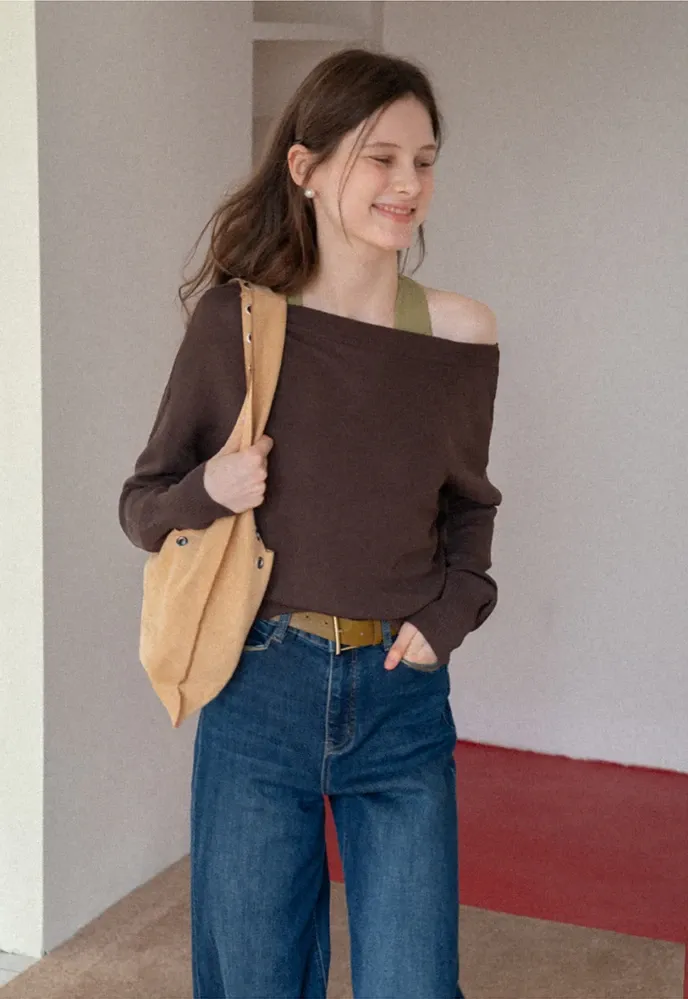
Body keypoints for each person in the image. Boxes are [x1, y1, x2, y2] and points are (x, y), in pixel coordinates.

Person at [119, 47, 502, 999]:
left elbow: (469, 511)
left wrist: (445, 621)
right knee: (251, 981)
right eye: (381, 158)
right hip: (260, 686)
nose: (408, 184)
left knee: (415, 984)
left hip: (401, 696)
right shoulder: (238, 324)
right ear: (306, 167)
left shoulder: (458, 332)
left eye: (424, 160)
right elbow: (144, 504)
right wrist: (214, 485)